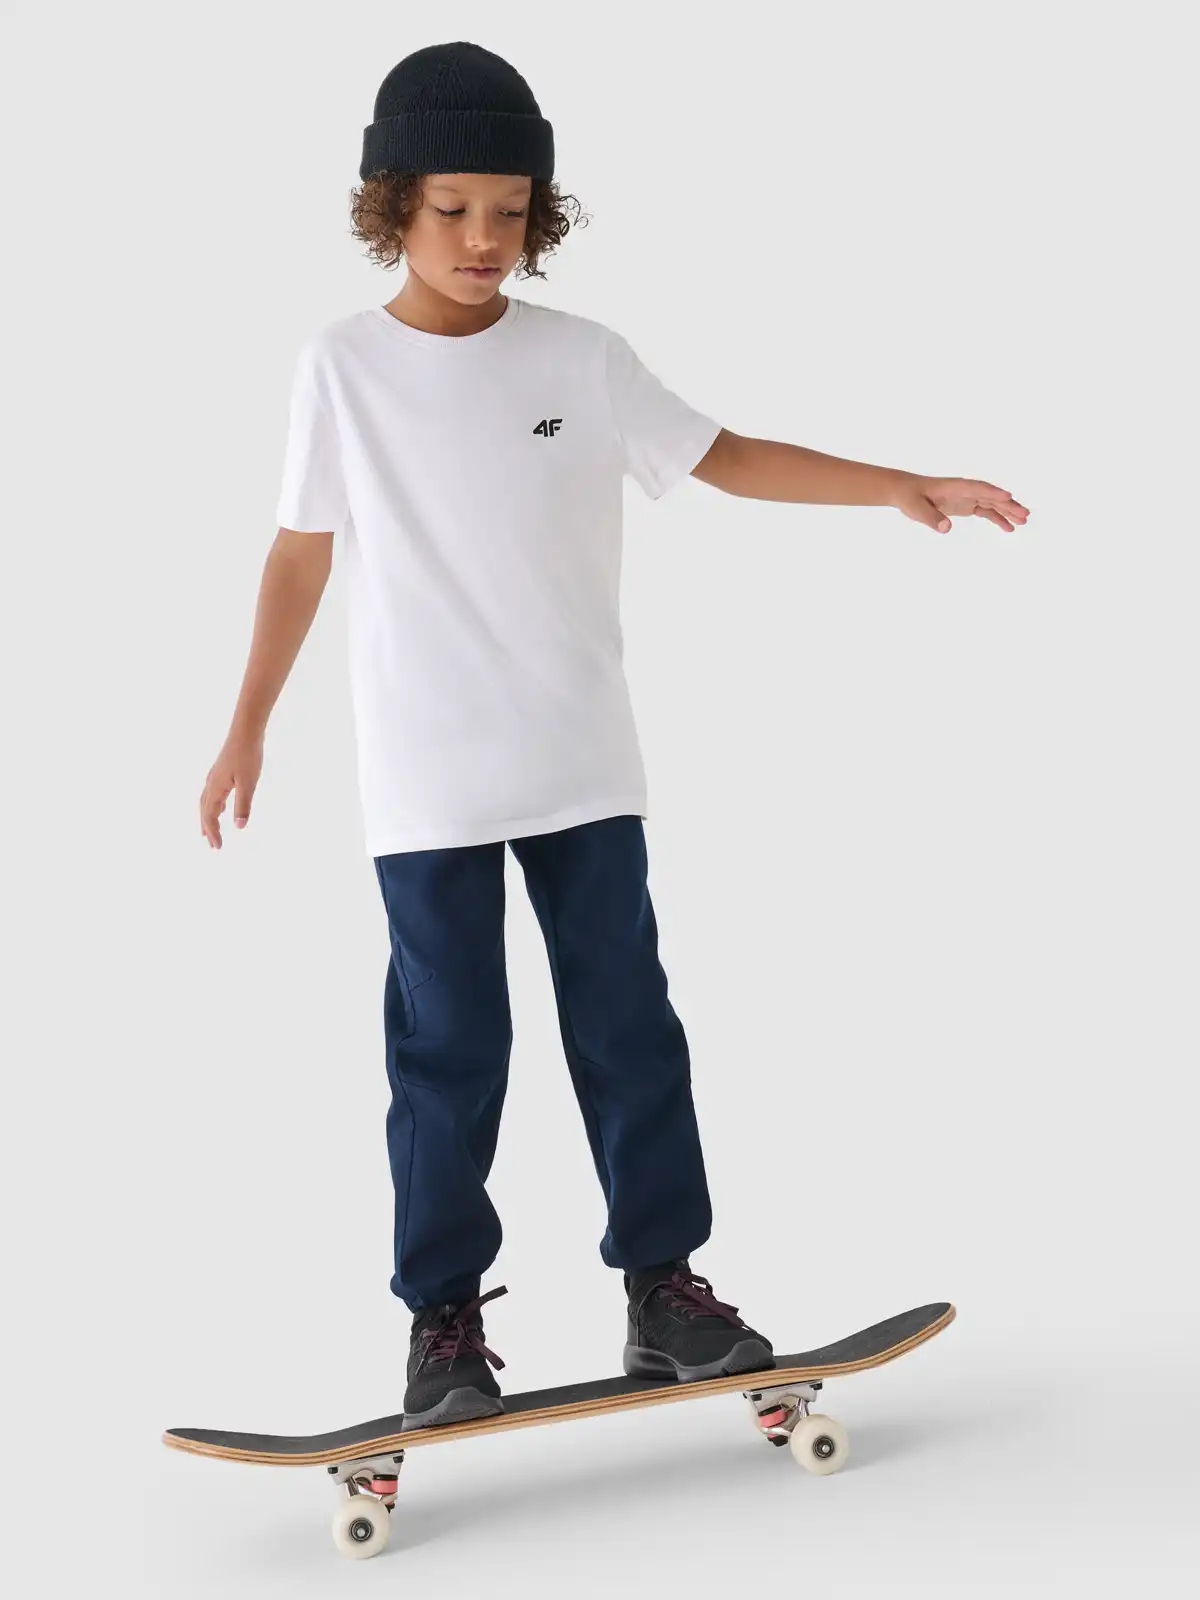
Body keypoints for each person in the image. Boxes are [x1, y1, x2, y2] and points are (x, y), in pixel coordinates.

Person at [198, 40, 1028, 1432]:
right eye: (452, 209)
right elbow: (298, 555)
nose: (483, 238)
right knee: (451, 1051)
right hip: (427, 778)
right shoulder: (339, 368)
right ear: (392, 205)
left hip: (582, 763)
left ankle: (663, 1288)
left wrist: (897, 484)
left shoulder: (580, 358)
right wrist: (246, 731)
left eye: (511, 212)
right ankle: (444, 1322)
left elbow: (726, 455)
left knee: (629, 1026)